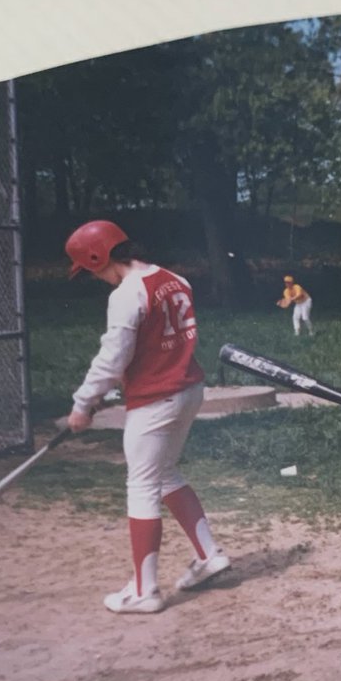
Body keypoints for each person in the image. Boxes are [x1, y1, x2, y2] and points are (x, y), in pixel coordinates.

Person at [64, 219, 231, 613]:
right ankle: (209, 554)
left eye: (91, 269)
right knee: (166, 473)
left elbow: (113, 356)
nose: (94, 277)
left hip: (157, 399)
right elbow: (154, 344)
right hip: (187, 389)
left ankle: (144, 591)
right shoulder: (174, 279)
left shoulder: (125, 294)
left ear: (97, 256)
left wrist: (83, 403)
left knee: (141, 486)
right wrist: (117, 386)